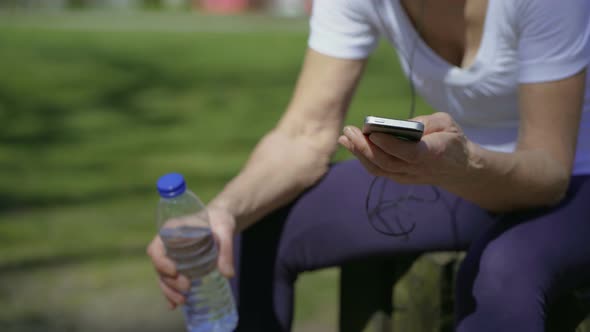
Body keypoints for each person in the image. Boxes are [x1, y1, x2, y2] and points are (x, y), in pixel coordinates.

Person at [147, 0, 590, 330]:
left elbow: (549, 173)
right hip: (453, 167)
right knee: (253, 229)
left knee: (502, 270)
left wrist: (461, 165)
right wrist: (222, 212)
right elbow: (304, 132)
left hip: (572, 178)